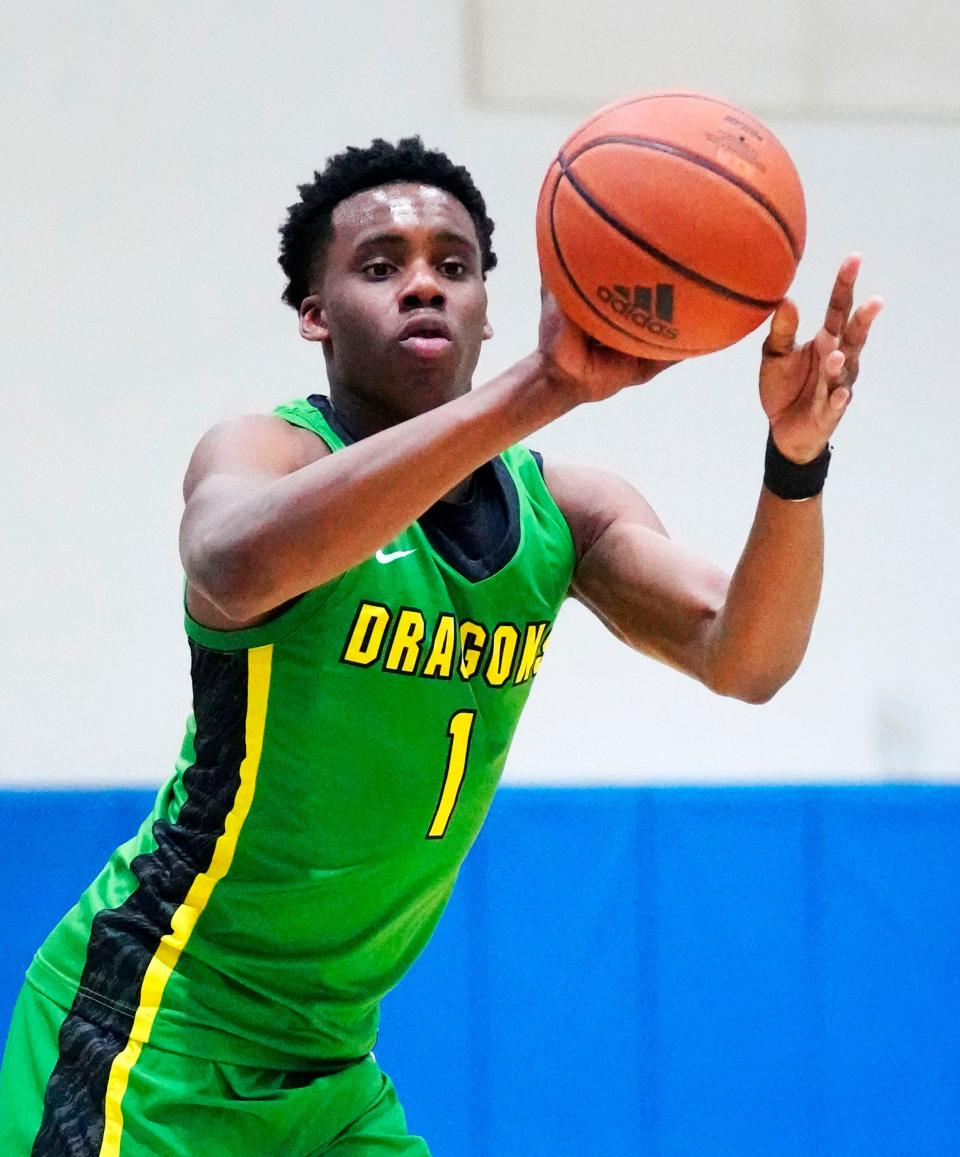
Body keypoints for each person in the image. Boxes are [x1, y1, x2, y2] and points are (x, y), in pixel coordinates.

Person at [0, 136, 882, 1156]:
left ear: (488, 307)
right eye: (381, 266)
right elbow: (231, 564)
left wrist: (797, 460)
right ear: (315, 314)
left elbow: (749, 655)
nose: (423, 284)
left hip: (331, 1065)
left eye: (453, 265)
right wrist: (537, 388)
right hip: (155, 1023)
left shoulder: (564, 513)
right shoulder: (267, 452)